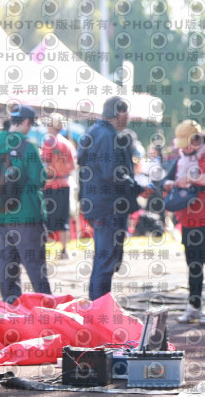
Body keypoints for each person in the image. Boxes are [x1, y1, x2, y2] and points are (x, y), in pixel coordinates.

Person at [77, 96, 154, 301]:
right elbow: (113, 173)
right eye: (126, 113)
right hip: (109, 205)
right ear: (120, 113)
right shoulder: (108, 136)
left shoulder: (92, 132)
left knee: (107, 258)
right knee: (106, 260)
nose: (128, 118)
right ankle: (99, 307)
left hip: (96, 203)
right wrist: (138, 188)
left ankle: (100, 305)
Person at [162, 120, 205, 326]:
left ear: (197, 139)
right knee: (193, 266)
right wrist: (171, 183)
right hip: (189, 221)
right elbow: (165, 180)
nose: (184, 149)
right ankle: (194, 306)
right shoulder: (181, 157)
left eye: (187, 144)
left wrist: (191, 178)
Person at [0, 105, 52, 303]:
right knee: (35, 267)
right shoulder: (28, 147)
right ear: (26, 122)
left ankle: (11, 309)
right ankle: (47, 309)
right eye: (31, 124)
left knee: (7, 265)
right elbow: (39, 179)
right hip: (27, 215)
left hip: (1, 214)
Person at [41, 113, 77, 260]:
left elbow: (44, 164)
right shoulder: (67, 144)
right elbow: (72, 166)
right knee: (63, 219)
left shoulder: (48, 143)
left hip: (50, 185)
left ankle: (42, 250)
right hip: (64, 184)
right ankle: (64, 251)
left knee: (46, 219)